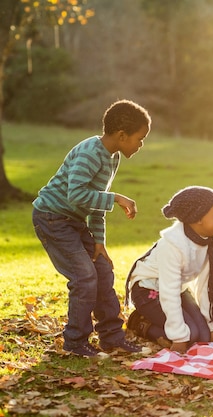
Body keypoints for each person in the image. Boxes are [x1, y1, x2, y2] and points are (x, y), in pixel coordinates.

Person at [32, 99, 151, 357]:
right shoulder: (89, 152)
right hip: (52, 218)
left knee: (103, 270)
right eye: (139, 139)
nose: (140, 145)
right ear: (122, 135)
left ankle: (112, 337)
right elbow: (77, 195)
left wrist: (99, 241)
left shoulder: (112, 157)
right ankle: (75, 342)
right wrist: (117, 198)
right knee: (85, 278)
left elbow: (95, 202)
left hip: (73, 221)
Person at [126, 186, 213, 354]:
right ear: (199, 219)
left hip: (177, 287)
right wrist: (179, 337)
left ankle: (171, 326)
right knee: (190, 334)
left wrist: (212, 324)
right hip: (148, 290)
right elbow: (168, 292)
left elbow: (206, 286)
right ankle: (141, 323)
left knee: (204, 334)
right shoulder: (172, 245)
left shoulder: (209, 243)